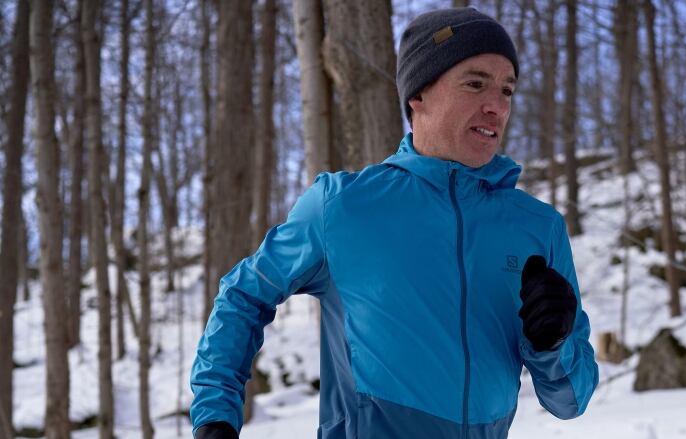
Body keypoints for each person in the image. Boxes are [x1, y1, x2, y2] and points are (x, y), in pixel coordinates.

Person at [191, 7, 598, 439]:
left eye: (507, 90)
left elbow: (571, 401)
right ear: (418, 95)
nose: (496, 105)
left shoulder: (538, 227)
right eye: (475, 84)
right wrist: (215, 415)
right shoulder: (343, 207)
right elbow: (242, 296)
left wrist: (553, 344)